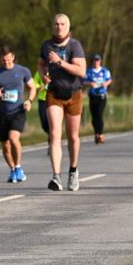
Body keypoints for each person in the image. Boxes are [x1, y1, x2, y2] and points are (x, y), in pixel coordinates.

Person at [39, 14, 86, 191]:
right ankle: (56, 176)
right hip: (54, 94)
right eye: (56, 24)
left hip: (73, 93)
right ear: (53, 26)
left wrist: (60, 62)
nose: (59, 27)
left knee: (73, 136)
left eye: (62, 24)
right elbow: (41, 63)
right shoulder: (46, 45)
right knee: (55, 134)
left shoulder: (75, 45)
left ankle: (73, 171)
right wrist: (43, 74)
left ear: (68, 26)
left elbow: (81, 71)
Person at [0, 45, 36, 183]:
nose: (6, 63)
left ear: (13, 57)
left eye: (8, 60)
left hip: (18, 111)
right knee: (5, 145)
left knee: (13, 138)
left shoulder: (23, 71)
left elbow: (32, 87)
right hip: (2, 112)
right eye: (4, 60)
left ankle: (19, 167)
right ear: (0, 59)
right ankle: (13, 169)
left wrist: (29, 100)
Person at [84, 54, 112, 144]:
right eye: (94, 60)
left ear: (100, 61)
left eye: (98, 60)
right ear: (92, 62)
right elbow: (83, 81)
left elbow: (109, 79)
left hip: (102, 95)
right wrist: (90, 84)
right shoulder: (89, 71)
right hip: (93, 95)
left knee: (99, 114)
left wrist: (106, 84)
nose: (96, 62)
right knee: (94, 116)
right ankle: (96, 133)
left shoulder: (105, 71)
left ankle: (100, 134)